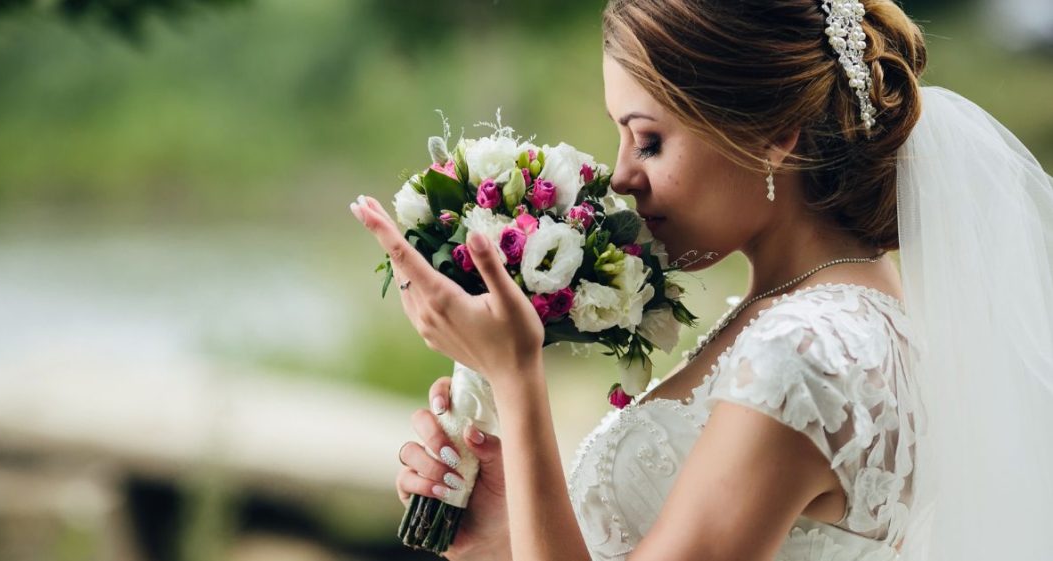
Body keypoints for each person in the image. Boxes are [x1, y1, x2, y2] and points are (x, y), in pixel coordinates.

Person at [350, 1, 1053, 560]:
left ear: (776, 132)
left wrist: (515, 375)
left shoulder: (809, 353)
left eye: (649, 138)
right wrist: (510, 533)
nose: (622, 174)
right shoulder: (832, 321)